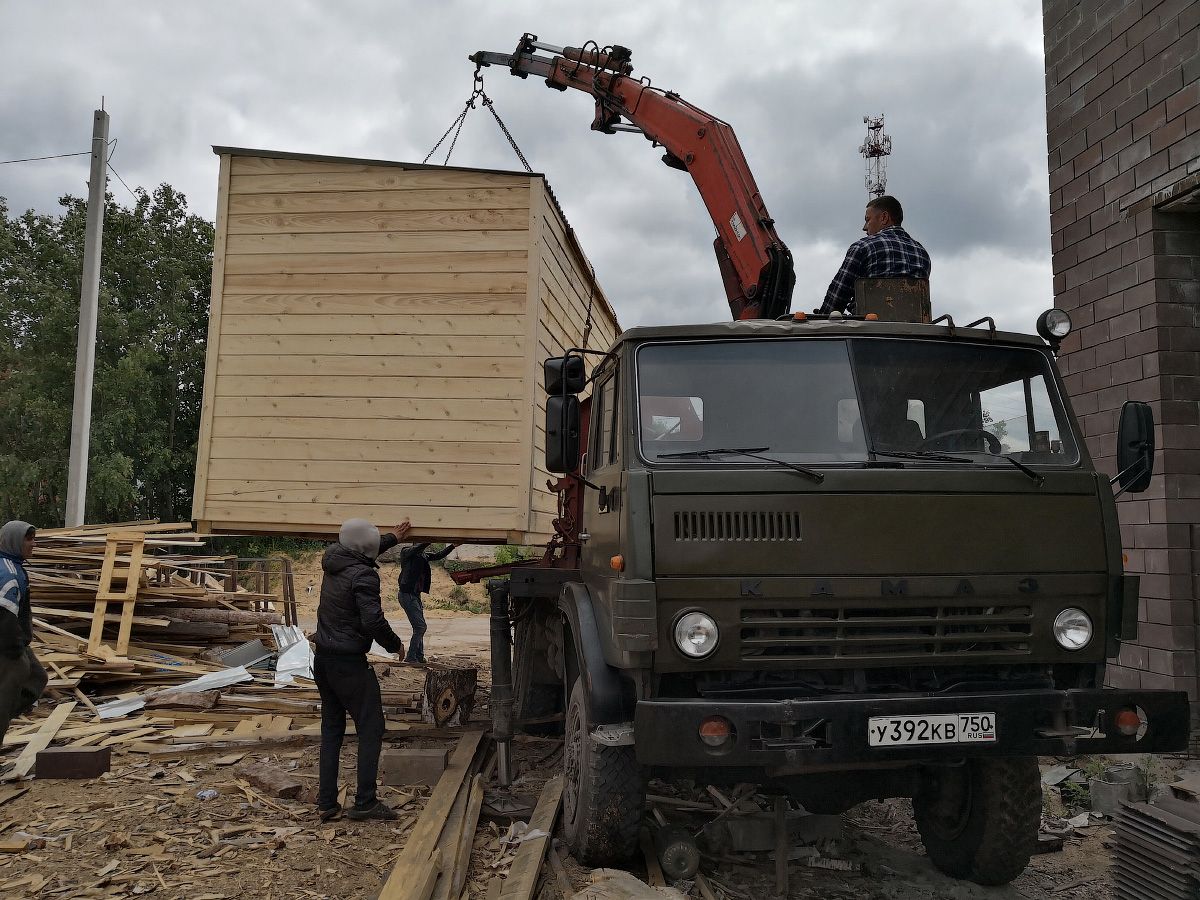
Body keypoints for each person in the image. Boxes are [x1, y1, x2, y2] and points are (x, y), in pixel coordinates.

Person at [314, 518, 411, 822]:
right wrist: (395, 645)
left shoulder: (335, 560)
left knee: (332, 730)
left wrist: (393, 538)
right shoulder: (364, 576)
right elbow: (372, 621)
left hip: (323, 660)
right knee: (371, 727)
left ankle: (327, 803)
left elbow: (363, 549)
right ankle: (365, 802)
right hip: (348, 665)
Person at [819, 195, 931, 315]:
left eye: (868, 220)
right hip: (915, 329)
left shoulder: (862, 247)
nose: (864, 227)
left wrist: (821, 320)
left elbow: (837, 296)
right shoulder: (923, 254)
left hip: (870, 329)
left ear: (884, 217)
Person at [0, 521, 47, 749]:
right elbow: (4, 615)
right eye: (29, 539)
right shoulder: (7, 573)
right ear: (14, 542)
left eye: (33, 538)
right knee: (4, 697)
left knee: (37, 677)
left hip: (15, 639)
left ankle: (5, 711)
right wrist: (16, 649)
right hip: (6, 642)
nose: (33, 544)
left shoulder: (15, 566)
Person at [397, 543, 458, 665]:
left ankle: (419, 656)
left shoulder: (423, 555)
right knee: (420, 627)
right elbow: (416, 548)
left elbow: (438, 555)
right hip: (407, 595)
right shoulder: (406, 552)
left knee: (418, 627)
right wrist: (429, 540)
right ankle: (411, 657)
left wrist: (453, 546)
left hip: (414, 595)